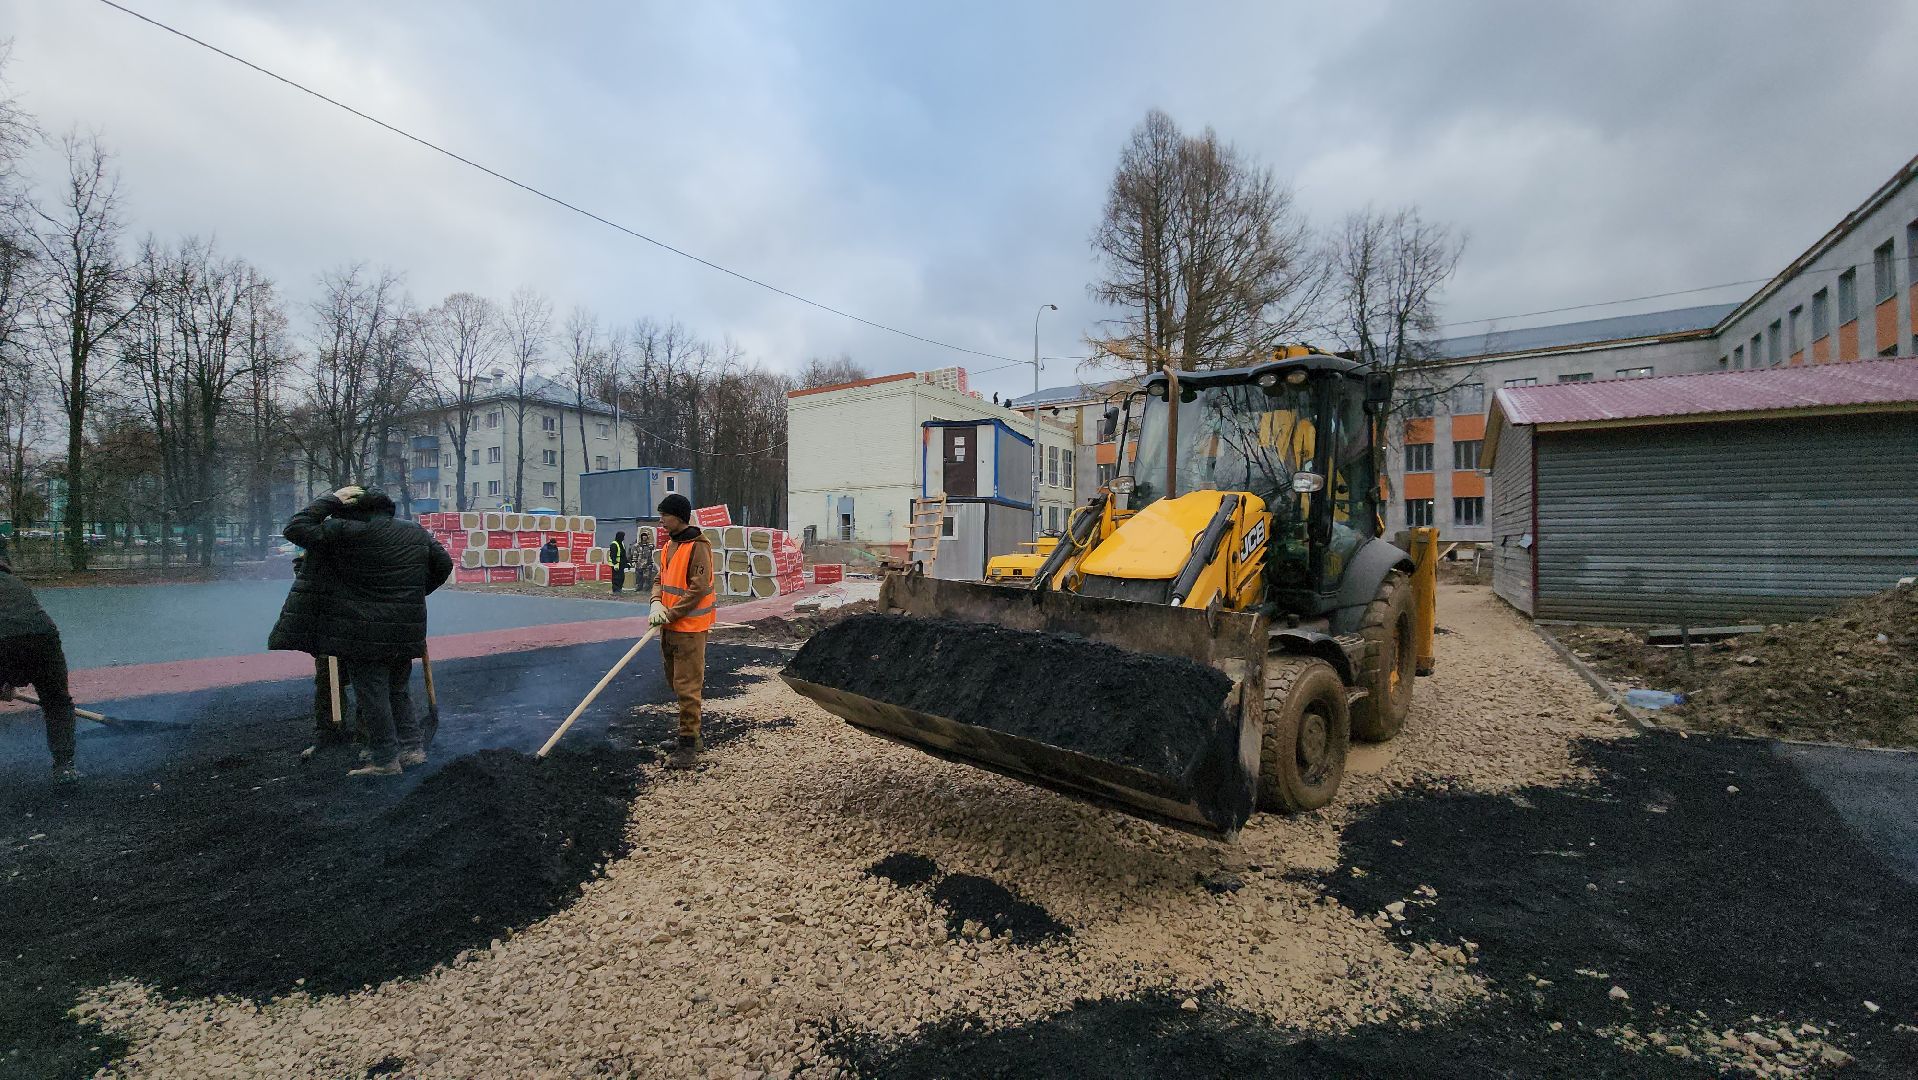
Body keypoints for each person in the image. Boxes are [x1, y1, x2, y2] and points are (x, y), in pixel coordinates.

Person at [268, 485, 453, 778]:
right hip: (405, 628)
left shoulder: (346, 531)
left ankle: (385, 759)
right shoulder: (415, 532)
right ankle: (412, 749)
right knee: (397, 689)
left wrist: (330, 500)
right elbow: (444, 564)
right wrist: (412, 593)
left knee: (372, 692)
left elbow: (295, 528)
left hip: (362, 629)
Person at [0, 541, 81, 780]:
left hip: (9, 642)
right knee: (57, 702)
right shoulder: (13, 581)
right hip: (44, 638)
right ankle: (64, 766)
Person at [649, 493, 714, 769]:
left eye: (665, 515)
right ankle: (685, 735)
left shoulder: (698, 546)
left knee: (688, 685)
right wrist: (655, 604)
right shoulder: (669, 546)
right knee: (675, 682)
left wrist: (671, 613)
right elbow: (659, 579)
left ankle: (689, 743)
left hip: (689, 627)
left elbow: (698, 588)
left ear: (679, 516)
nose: (661, 520)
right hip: (669, 626)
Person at [291, 551, 363, 760]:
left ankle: (367, 736)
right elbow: (302, 569)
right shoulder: (322, 537)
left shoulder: (367, 536)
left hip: (364, 623)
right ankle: (328, 733)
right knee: (326, 681)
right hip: (330, 625)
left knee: (368, 681)